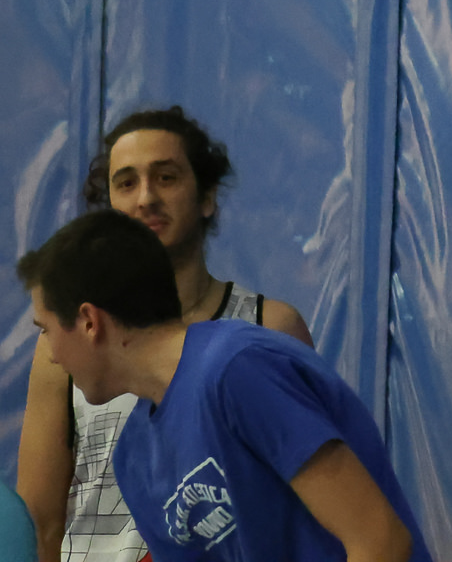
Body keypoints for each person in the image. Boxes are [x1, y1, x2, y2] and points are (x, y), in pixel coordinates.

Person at [16, 210, 424, 562]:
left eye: (46, 330)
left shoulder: (238, 369)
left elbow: (380, 540)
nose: (52, 354)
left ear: (90, 322)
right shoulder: (134, 458)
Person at [16, 108, 311, 560]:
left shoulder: (268, 327)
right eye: (125, 183)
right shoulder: (66, 342)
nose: (146, 198)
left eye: (166, 177)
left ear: (207, 196)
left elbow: (310, 509)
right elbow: (40, 523)